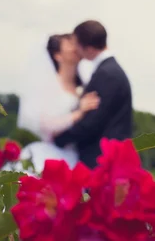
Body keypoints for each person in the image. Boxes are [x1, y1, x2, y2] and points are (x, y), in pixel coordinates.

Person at [12, 33, 101, 173]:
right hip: (53, 154)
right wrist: (79, 113)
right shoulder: (49, 84)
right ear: (57, 55)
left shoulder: (83, 86)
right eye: (70, 44)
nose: (75, 47)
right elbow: (46, 125)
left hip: (78, 156)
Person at [53, 20, 133, 168]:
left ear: (89, 49)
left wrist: (59, 140)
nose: (75, 49)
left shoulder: (107, 74)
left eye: (76, 44)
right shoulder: (108, 70)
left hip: (101, 160)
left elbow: (91, 123)